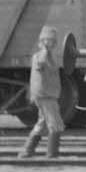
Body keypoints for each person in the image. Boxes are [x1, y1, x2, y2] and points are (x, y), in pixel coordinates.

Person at [18, 26, 64, 159]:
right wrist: (44, 49)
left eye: (54, 41)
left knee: (42, 124)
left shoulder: (50, 57)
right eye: (50, 40)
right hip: (45, 96)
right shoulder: (39, 56)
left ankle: (27, 151)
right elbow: (40, 64)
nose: (53, 43)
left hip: (49, 95)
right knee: (56, 124)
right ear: (44, 41)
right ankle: (52, 154)